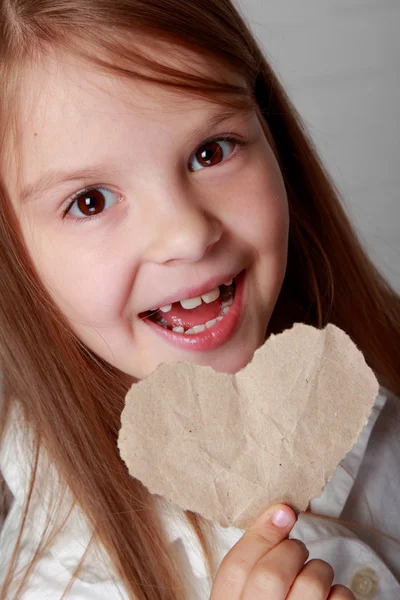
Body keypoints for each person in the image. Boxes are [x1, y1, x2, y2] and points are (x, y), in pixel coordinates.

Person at [0, 0, 399, 598]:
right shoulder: (60, 582)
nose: (187, 234)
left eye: (211, 152)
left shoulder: (381, 362)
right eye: (91, 201)